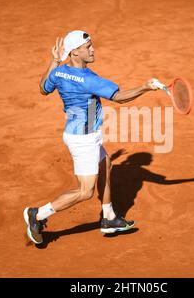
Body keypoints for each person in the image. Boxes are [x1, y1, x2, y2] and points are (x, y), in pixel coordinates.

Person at [24, 30, 164, 244]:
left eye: (91, 45)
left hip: (78, 132)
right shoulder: (89, 80)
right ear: (74, 53)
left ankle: (108, 217)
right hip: (84, 139)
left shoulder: (59, 72)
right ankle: (38, 214)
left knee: (106, 164)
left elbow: (44, 89)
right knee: (85, 191)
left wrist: (53, 61)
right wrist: (146, 87)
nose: (92, 49)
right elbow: (119, 97)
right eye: (87, 47)